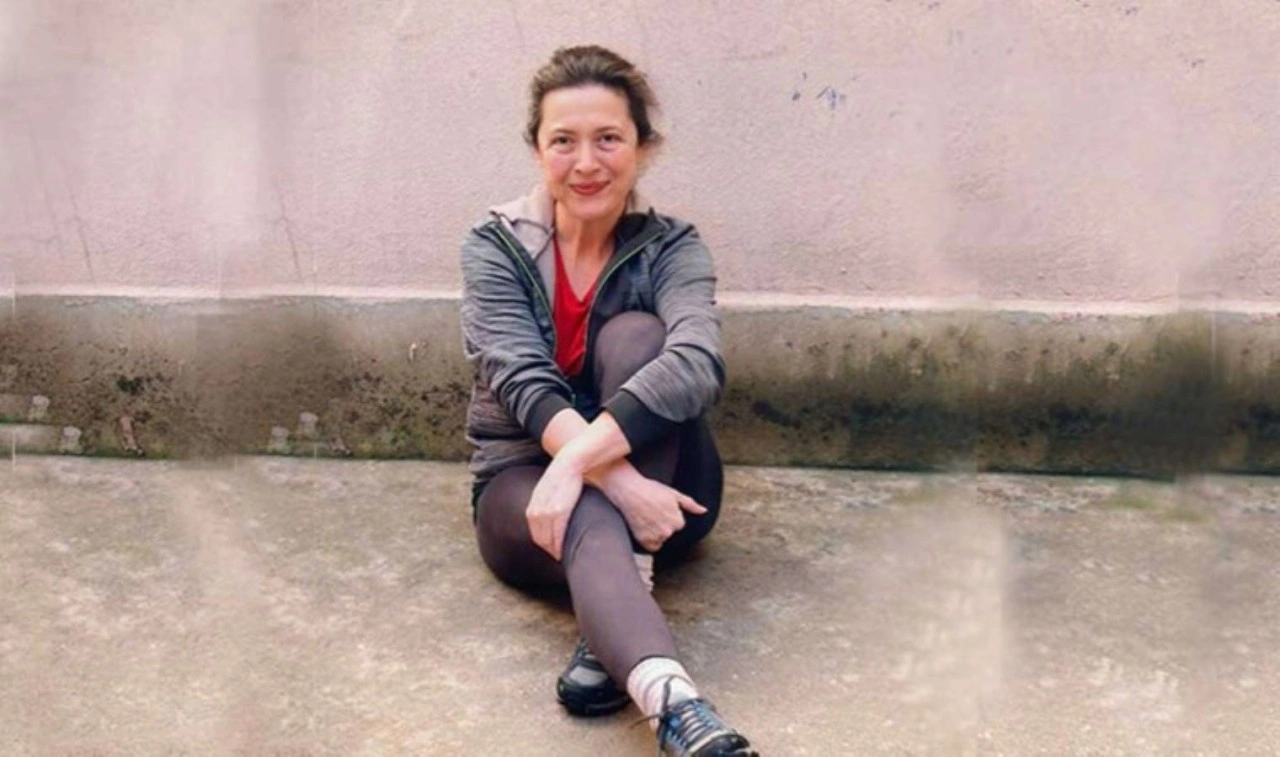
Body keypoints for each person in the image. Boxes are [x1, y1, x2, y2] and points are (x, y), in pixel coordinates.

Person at [459, 45, 757, 757]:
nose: (586, 162)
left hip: (673, 488)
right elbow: (520, 379)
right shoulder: (495, 246)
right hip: (527, 489)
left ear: (643, 148)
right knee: (590, 512)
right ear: (538, 149)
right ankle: (677, 708)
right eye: (563, 140)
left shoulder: (672, 247)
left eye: (608, 139)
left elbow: (697, 362)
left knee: (641, 336)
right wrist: (609, 481)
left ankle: (617, 607)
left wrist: (577, 464)